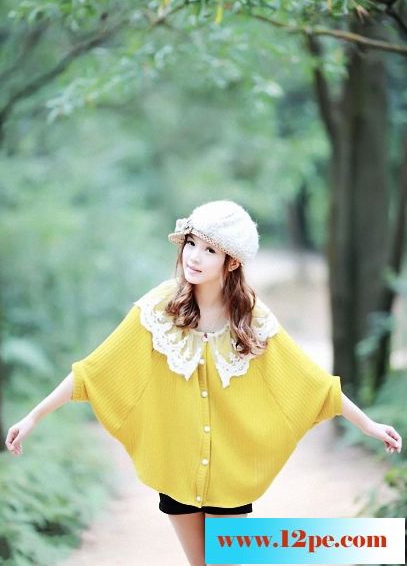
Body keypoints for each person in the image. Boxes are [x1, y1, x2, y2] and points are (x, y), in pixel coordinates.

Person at [5, 199, 403, 566]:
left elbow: (310, 383)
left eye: (209, 250)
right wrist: (34, 416)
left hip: (231, 474)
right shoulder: (158, 309)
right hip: (177, 471)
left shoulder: (252, 318)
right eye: (191, 243)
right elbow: (94, 371)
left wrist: (368, 424)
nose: (194, 256)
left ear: (231, 262)